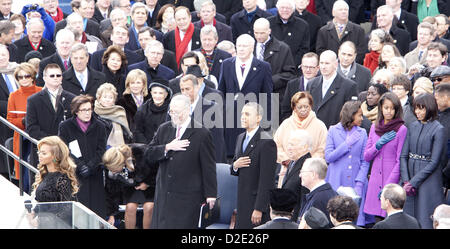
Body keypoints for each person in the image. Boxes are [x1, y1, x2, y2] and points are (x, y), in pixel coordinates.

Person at [146, 94, 217, 229]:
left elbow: (209, 168)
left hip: (188, 198)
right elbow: (149, 154)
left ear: (188, 110)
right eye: (171, 111)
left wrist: (211, 195)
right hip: (164, 196)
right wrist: (167, 147)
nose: (173, 115)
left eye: (177, 112)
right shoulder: (164, 129)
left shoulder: (202, 133)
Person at [218, 34, 273, 159]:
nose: (241, 49)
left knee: (250, 157)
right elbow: (220, 92)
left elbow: (267, 97)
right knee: (231, 158)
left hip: (253, 121)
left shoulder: (263, 67)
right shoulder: (226, 64)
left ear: (252, 47)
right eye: (239, 46)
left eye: (245, 46)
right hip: (230, 121)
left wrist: (266, 123)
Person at [58, 94, 108, 219]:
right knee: (78, 213)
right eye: (83, 110)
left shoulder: (100, 126)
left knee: (96, 212)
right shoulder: (65, 126)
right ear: (76, 111)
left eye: (89, 109)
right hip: (75, 174)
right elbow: (65, 150)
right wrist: (80, 166)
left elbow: (101, 150)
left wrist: (91, 166)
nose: (87, 113)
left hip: (94, 173)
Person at [400, 93, 446, 229]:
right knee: (407, 217)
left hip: (428, 180)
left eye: (421, 108)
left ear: (430, 108)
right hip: (409, 174)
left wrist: (413, 182)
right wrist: (406, 179)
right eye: (416, 108)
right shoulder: (412, 126)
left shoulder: (439, 129)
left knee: (425, 217)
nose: (417, 112)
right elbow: (403, 156)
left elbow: (434, 162)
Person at [231, 102, 277, 228]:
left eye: (247, 114)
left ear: (258, 118)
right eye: (242, 114)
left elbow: (267, 180)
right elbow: (235, 166)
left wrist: (259, 208)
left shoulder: (267, 142)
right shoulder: (240, 137)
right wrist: (235, 165)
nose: (243, 117)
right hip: (242, 201)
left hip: (255, 204)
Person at [364, 92, 408, 223]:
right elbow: (367, 156)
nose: (389, 111)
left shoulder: (401, 129)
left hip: (390, 178)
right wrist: (378, 145)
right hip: (375, 180)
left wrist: (388, 186)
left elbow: (399, 160)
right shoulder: (374, 127)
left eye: (392, 108)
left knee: (389, 217)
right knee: (376, 219)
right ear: (381, 108)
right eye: (386, 108)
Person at [325, 100, 370, 226]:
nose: (362, 118)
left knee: (354, 221)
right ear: (351, 115)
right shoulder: (333, 130)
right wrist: (346, 144)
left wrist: (360, 183)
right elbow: (328, 157)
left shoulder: (362, 133)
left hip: (355, 181)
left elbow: (364, 161)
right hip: (336, 181)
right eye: (359, 115)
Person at [26, 63, 75, 168]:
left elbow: (74, 124)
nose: (56, 78)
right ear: (44, 78)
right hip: (43, 150)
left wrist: (61, 142)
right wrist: (52, 141)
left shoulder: (71, 98)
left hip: (65, 149)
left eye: (58, 75)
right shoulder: (33, 100)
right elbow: (31, 128)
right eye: (52, 76)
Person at [103, 143, 157, 229]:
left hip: (150, 183)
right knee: (130, 207)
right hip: (131, 187)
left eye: (114, 169)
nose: (112, 172)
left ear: (120, 162)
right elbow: (111, 192)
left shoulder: (142, 152)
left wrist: (147, 183)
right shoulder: (110, 168)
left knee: (149, 207)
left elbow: (157, 170)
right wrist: (111, 214)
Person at [29, 136, 79, 229]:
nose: (39, 155)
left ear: (55, 156)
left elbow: (67, 208)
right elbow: (43, 202)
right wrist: (34, 213)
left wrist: (43, 219)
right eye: (39, 152)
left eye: (44, 153)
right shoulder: (45, 175)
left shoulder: (62, 178)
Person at [6, 62, 41, 186]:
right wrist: (23, 121)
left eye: (27, 76)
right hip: (22, 137)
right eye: (20, 77)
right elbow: (10, 120)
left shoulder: (41, 92)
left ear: (33, 77)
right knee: (24, 172)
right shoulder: (13, 96)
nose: (24, 79)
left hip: (39, 135)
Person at [253, 17, 296, 112]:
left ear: (269, 31)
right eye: (256, 33)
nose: (259, 36)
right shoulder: (249, 47)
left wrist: (268, 82)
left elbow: (290, 74)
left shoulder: (282, 48)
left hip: (273, 97)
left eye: (262, 33)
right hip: (251, 98)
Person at [307, 50, 358, 129]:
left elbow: (350, 114)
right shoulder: (311, 84)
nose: (323, 67)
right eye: (321, 63)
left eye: (327, 63)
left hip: (336, 133)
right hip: (314, 131)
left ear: (336, 64)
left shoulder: (348, 86)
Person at [274, 91, 327, 165]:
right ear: (294, 108)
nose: (303, 110)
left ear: (311, 106)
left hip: (311, 170)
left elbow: (322, 149)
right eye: (299, 107)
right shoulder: (286, 124)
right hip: (287, 169)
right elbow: (276, 145)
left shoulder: (320, 126)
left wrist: (307, 163)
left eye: (306, 106)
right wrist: (285, 159)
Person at [315, 0, 367, 65]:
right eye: (340, 10)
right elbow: (320, 50)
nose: (343, 12)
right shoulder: (323, 31)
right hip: (331, 67)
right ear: (333, 13)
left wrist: (347, 63)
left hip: (352, 67)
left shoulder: (359, 30)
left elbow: (361, 51)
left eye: (345, 10)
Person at [277, 129, 313, 221]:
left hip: (297, 219)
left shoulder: (307, 165)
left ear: (304, 147)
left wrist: (299, 220)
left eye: (292, 145)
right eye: (288, 144)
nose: (289, 148)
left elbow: (305, 198)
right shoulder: (293, 162)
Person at [267, 0, 309, 69]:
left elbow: (304, 49)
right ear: (277, 8)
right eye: (282, 7)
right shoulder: (269, 23)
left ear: (293, 9)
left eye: (288, 8)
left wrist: (292, 64)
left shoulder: (303, 25)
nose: (285, 10)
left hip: (293, 68)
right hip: (271, 66)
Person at [298, 157, 337, 227]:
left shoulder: (319, 199)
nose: (300, 175)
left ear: (313, 175)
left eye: (302, 172)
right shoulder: (323, 194)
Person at [281, 52, 320, 121]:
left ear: (318, 68)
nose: (308, 70)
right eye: (305, 66)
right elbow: (286, 110)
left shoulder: (322, 85)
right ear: (301, 67)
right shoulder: (292, 84)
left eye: (311, 67)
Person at [133, 78, 172, 143]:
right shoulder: (142, 110)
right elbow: (138, 131)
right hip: (146, 147)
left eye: (161, 93)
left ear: (166, 95)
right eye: (155, 93)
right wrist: (148, 148)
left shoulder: (172, 109)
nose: (157, 96)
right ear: (151, 93)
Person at [94, 83, 133, 148]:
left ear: (114, 100)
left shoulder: (119, 112)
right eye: (105, 97)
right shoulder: (93, 113)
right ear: (99, 98)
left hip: (120, 149)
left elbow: (127, 135)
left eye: (111, 97)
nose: (107, 100)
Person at [117, 69, 151, 133]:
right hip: (130, 138)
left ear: (143, 84)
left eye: (138, 83)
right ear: (128, 85)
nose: (135, 86)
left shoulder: (150, 99)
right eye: (132, 83)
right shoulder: (121, 102)